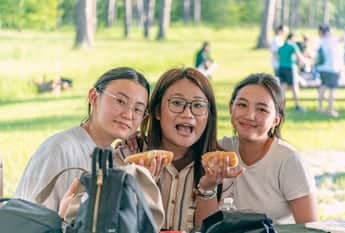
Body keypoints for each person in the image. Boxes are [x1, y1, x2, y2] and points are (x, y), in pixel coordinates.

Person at [115, 67, 242, 232]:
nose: (188, 114)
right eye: (176, 103)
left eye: (198, 105)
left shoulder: (220, 167)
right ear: (157, 111)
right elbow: (116, 224)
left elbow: (210, 230)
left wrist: (208, 188)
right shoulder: (129, 155)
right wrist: (143, 186)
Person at [14, 67, 156, 210]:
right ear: (94, 97)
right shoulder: (60, 149)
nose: (128, 115)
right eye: (120, 101)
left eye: (137, 109)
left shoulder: (112, 160)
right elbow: (29, 219)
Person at [220, 73, 318, 224]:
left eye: (262, 109)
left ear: (276, 120)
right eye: (242, 105)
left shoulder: (289, 160)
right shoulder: (221, 150)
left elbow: (310, 227)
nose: (250, 115)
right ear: (230, 108)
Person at [316, 25, 343, 117]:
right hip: (332, 69)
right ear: (328, 32)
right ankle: (330, 110)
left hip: (322, 69)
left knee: (323, 87)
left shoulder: (321, 41)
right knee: (332, 90)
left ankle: (319, 108)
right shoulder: (332, 41)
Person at [278, 32, 307, 112]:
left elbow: (278, 57)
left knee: (283, 87)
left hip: (281, 68)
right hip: (290, 68)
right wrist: (306, 63)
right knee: (294, 87)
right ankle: (297, 106)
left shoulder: (281, 47)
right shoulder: (293, 46)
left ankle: (280, 106)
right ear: (292, 38)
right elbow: (300, 57)